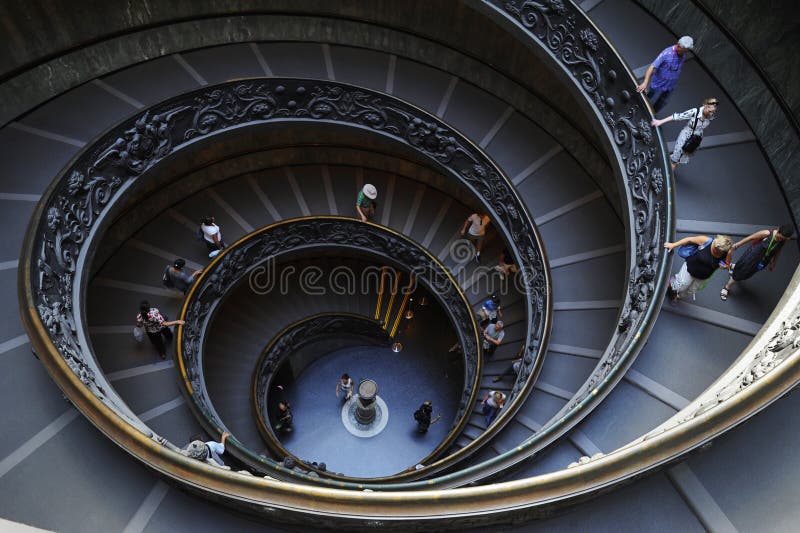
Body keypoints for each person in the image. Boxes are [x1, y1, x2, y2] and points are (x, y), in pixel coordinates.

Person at [721, 224, 794, 301]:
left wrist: (773, 263)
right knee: (741, 273)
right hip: (752, 257)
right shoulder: (767, 233)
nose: (780, 239)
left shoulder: (783, 240)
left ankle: (733, 267)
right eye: (779, 237)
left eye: (782, 239)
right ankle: (727, 287)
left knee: (747, 273)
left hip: (762, 261)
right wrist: (737, 245)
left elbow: (778, 250)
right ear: (778, 230)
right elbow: (751, 237)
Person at [651, 97, 718, 170]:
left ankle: (663, 163)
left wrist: (697, 141)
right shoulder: (695, 112)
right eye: (710, 111)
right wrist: (660, 122)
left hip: (695, 138)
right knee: (675, 160)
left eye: (713, 111)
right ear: (705, 106)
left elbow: (702, 128)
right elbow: (677, 116)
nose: (711, 113)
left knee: (680, 158)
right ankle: (665, 174)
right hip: (686, 135)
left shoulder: (710, 116)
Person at [664, 234, 732, 301]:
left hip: (703, 276)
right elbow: (689, 240)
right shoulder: (706, 241)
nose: (715, 251)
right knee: (682, 284)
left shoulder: (727, 253)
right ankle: (671, 286)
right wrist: (673, 245)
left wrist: (725, 266)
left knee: (691, 290)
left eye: (718, 252)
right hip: (690, 268)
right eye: (715, 248)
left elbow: (727, 264)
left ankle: (677, 295)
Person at [636, 36, 694, 112]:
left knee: (662, 103)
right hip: (658, 85)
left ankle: (653, 116)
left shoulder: (683, 55)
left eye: (686, 51)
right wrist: (645, 83)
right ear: (678, 45)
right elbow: (652, 67)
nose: (684, 53)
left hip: (670, 86)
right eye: (683, 51)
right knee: (648, 102)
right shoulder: (667, 53)